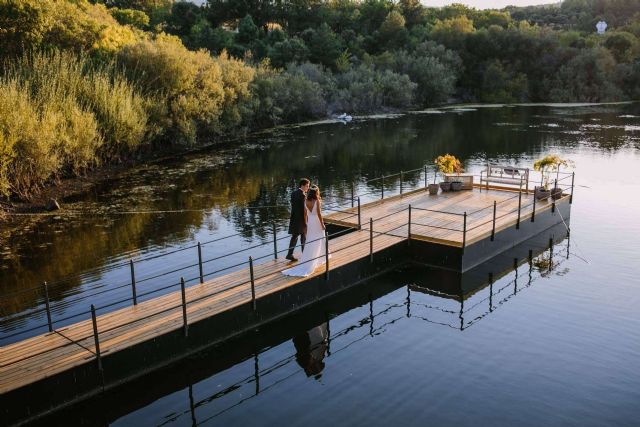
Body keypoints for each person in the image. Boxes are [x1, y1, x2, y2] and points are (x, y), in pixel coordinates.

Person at [282, 185, 329, 277]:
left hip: (310, 222)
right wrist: (322, 224)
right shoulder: (317, 201)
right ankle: (320, 256)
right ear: (316, 192)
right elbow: (319, 214)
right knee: (319, 237)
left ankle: (310, 257)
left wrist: (306, 224)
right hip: (316, 221)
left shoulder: (305, 201)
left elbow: (305, 214)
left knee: (310, 240)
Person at [286, 178, 311, 262]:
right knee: (303, 237)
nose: (308, 188)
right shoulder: (303, 195)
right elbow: (304, 210)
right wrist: (306, 221)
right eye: (307, 186)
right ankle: (305, 254)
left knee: (294, 236)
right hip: (301, 220)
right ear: (302, 185)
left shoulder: (293, 193)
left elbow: (293, 205)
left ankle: (289, 254)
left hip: (294, 218)